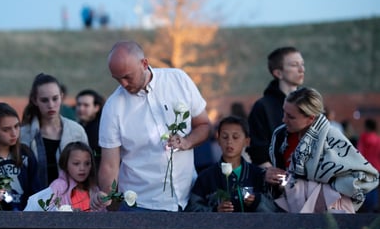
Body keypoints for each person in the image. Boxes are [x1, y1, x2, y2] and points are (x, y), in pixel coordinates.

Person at [95, 41, 210, 212]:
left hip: (189, 198)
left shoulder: (178, 79)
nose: (123, 84)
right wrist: (106, 199)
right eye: (117, 79)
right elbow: (109, 166)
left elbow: (204, 125)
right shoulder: (113, 107)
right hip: (141, 205)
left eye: (127, 76)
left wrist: (187, 142)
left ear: (144, 64)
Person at [267, 87, 379, 213]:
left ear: (311, 118)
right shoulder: (281, 136)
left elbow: (365, 176)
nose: (284, 120)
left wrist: (320, 188)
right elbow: (279, 170)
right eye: (284, 113)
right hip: (288, 207)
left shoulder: (332, 137)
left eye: (291, 117)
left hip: (327, 211)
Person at [21, 73, 89, 187]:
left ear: (61, 96)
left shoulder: (76, 131)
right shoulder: (23, 134)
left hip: (71, 201)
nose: (51, 105)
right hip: (33, 201)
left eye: (55, 98)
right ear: (34, 100)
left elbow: (88, 169)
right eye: (44, 100)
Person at [186, 116, 265, 212]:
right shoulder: (206, 177)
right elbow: (192, 210)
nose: (229, 142)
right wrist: (215, 211)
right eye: (224, 137)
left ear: (246, 141)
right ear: (218, 139)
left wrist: (256, 201)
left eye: (235, 137)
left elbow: (274, 211)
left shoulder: (258, 175)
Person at [247, 47, 305, 169]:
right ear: (278, 73)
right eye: (294, 65)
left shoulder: (309, 104)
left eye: (302, 64)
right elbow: (259, 153)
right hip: (278, 181)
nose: (301, 70)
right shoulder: (262, 107)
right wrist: (280, 180)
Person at [24, 142, 106, 212]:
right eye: (76, 163)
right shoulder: (58, 187)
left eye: (87, 163)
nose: (82, 168)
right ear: (65, 164)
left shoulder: (94, 188)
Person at [75, 89, 104, 166]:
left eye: (86, 105)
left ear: (96, 108)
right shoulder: (77, 127)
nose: (81, 108)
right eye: (79, 104)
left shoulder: (103, 129)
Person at [357, 118, 380, 212]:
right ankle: (372, 209)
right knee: (374, 188)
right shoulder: (378, 140)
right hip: (376, 168)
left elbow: (359, 152)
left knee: (363, 188)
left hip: (364, 167)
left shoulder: (362, 138)